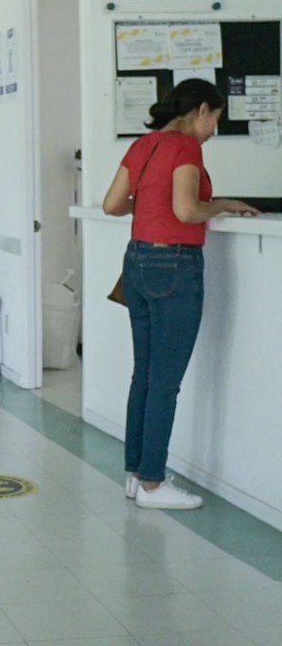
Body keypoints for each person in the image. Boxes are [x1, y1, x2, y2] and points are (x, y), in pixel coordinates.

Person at [102, 79, 259, 510]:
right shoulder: (186, 147)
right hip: (174, 266)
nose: (213, 131)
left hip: (136, 262)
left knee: (144, 376)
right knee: (165, 382)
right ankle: (154, 485)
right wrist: (224, 203)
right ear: (202, 110)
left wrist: (147, 204)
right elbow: (187, 211)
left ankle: (136, 476)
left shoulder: (144, 145)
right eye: (215, 120)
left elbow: (112, 204)